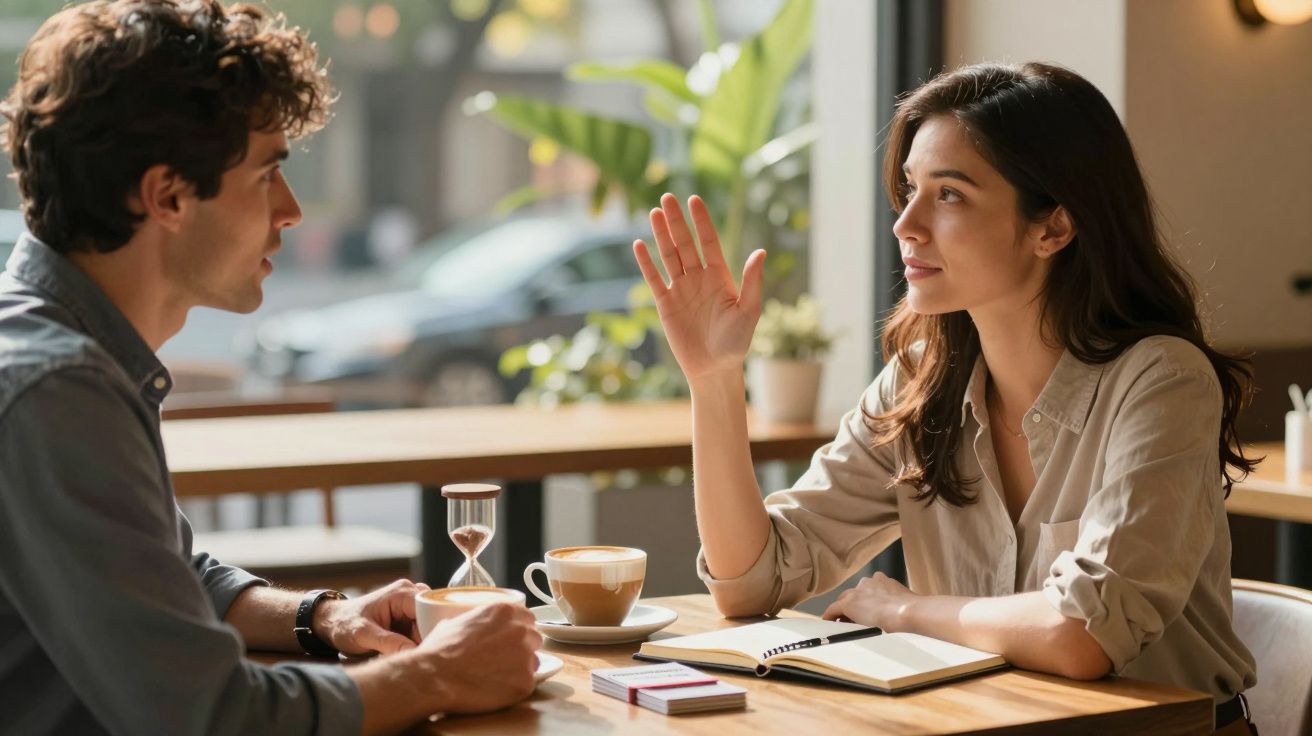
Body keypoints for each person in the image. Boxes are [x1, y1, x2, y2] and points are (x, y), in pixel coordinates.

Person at [634, 62, 1260, 734]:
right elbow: (750, 581)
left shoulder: (1162, 379)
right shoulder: (921, 381)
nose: (906, 224)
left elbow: (1083, 633)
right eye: (909, 190)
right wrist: (715, 377)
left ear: (1053, 227)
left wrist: (903, 611)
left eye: (950, 196)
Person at [0, 2, 539, 734]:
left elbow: (172, 577)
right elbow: (211, 715)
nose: (291, 211)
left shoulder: (69, 349)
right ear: (168, 196)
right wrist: (437, 672)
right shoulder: (55, 388)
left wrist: (327, 617)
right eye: (266, 175)